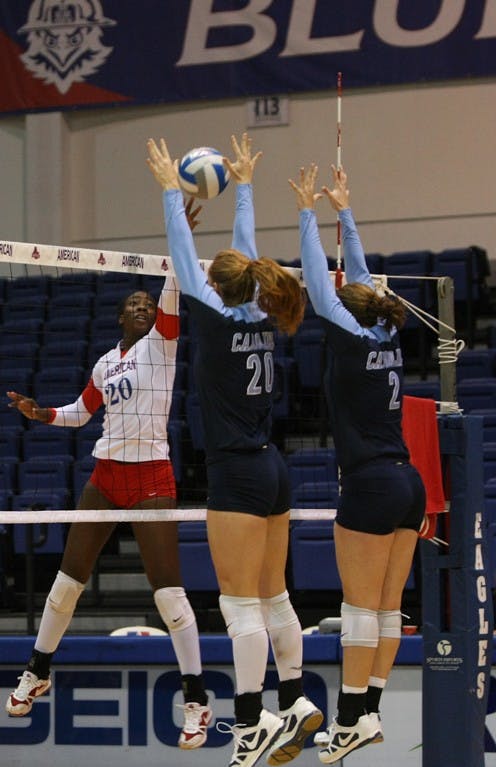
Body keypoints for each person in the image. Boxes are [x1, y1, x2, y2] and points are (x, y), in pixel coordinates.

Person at [5, 209, 213, 750]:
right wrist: (41, 413)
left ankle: (196, 698)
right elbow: (80, 412)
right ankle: (37, 669)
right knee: (66, 581)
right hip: (104, 475)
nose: (143, 307)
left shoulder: (162, 346)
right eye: (133, 305)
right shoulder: (105, 364)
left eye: (147, 304)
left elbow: (173, 287)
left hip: (151, 477)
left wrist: (180, 233)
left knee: (168, 592)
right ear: (121, 318)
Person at [146, 132, 323, 767]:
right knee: (274, 596)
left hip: (239, 475)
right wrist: (243, 185)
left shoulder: (219, 317)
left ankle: (251, 726)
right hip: (273, 469)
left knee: (239, 603)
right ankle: (297, 700)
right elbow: (241, 256)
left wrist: (172, 191)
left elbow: (182, 254)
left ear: (215, 290)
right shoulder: (258, 313)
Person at [289, 163, 426, 764]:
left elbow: (320, 283)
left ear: (345, 315)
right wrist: (344, 210)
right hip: (408, 483)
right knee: (388, 607)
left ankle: (347, 720)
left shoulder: (348, 333)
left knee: (359, 608)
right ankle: (367, 713)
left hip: (371, 483)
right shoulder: (385, 328)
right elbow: (361, 280)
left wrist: (305, 213)